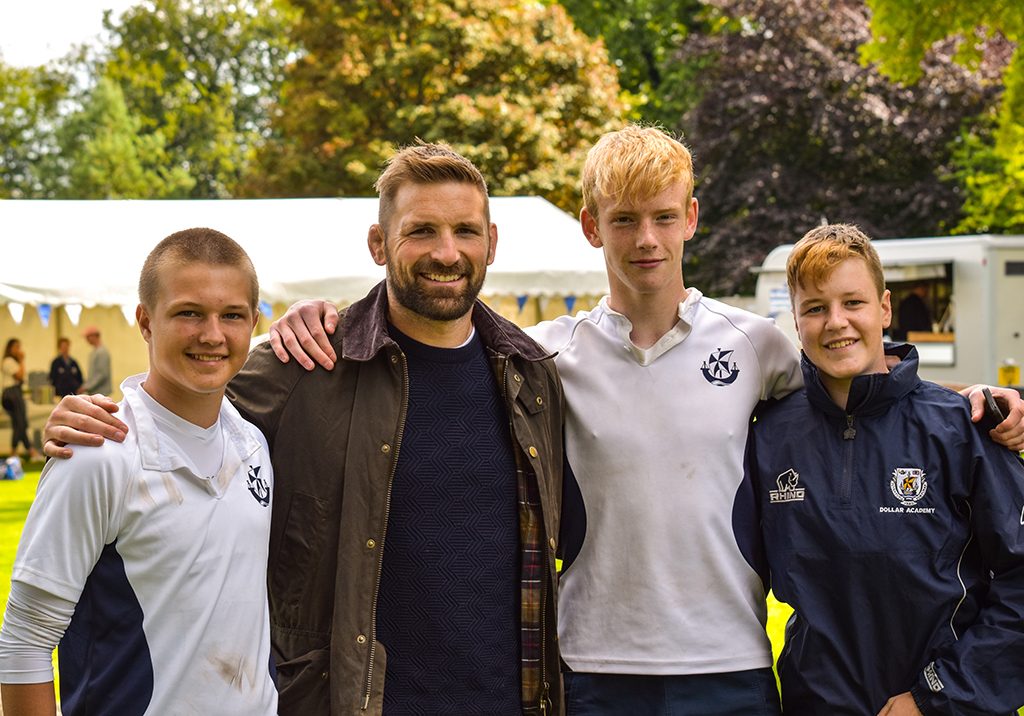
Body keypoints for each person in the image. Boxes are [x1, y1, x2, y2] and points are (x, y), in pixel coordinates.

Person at [265, 125, 1024, 715]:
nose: (648, 239)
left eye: (665, 216)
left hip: (730, 664)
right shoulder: (543, 358)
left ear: (692, 217)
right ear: (592, 226)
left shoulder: (756, 346)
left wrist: (975, 402)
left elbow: (860, 386)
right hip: (591, 667)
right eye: (625, 220)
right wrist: (323, 317)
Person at [40, 143, 566, 715]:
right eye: (421, 231)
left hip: (509, 700)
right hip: (349, 701)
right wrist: (92, 415)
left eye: (465, 230)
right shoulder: (307, 363)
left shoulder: (531, 374)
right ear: (378, 243)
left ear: (491, 241)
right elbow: (180, 392)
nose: (446, 252)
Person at [738, 224, 1024, 714]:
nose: (836, 322)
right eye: (815, 308)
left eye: (853, 303)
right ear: (796, 320)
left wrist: (936, 695)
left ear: (885, 308)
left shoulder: (961, 429)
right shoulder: (769, 436)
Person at [0, 228, 278, 716]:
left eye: (231, 315)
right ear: (146, 322)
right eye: (189, 312)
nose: (212, 334)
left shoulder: (253, 444)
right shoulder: (96, 453)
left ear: (254, 323)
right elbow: (24, 641)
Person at [1, 339, 40, 461]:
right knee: (20, 423)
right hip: (12, 393)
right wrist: (22, 360)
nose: (19, 350)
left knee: (20, 423)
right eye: (16, 347)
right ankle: (13, 453)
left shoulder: (13, 362)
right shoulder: (8, 361)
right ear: (10, 348)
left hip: (16, 392)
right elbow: (20, 375)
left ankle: (31, 452)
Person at [79, 326, 111, 396]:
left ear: (94, 336)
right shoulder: (95, 352)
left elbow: (102, 374)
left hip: (101, 393)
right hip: (95, 393)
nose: (86, 340)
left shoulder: (101, 352)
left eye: (88, 337)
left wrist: (86, 387)